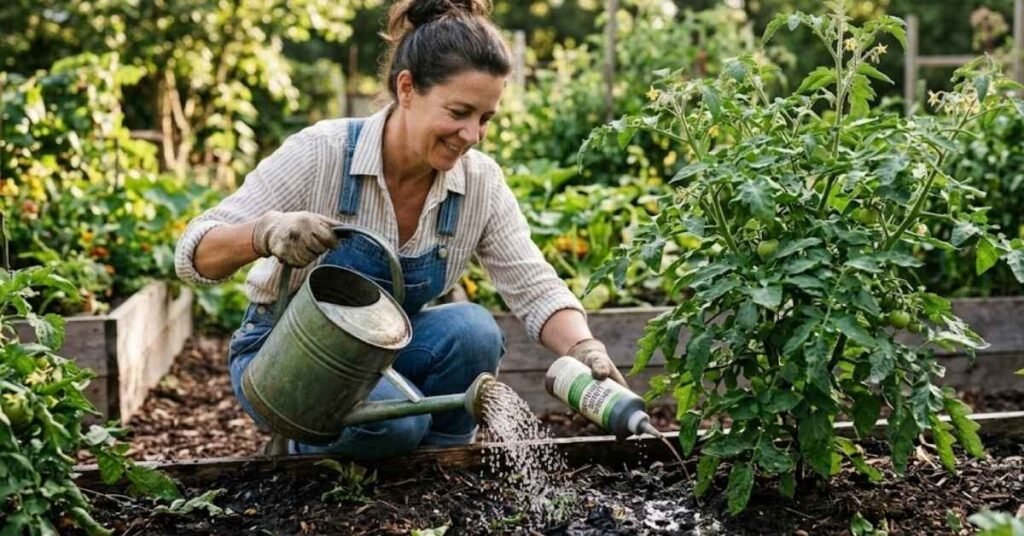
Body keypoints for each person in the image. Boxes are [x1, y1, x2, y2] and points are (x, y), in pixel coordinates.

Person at [174, 0, 626, 460]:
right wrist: (265, 232)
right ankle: (297, 444)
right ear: (407, 88)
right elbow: (194, 255)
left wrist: (584, 347)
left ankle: (437, 472)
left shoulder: (479, 183)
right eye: (459, 112)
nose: (472, 135)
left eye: (485, 118)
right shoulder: (323, 153)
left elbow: (534, 287)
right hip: (282, 361)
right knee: (396, 426)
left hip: (381, 358)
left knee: (473, 331)